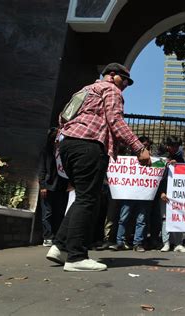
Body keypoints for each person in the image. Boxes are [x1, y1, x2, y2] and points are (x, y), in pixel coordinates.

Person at [46, 63, 151, 272]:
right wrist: (139, 148)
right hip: (89, 145)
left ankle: (60, 247)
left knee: (83, 198)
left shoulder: (84, 90)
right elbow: (115, 120)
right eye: (124, 80)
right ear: (112, 75)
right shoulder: (110, 89)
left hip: (68, 145)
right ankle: (76, 257)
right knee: (87, 200)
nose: (125, 86)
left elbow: (62, 118)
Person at [111, 137, 153, 252]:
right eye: (143, 145)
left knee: (141, 219)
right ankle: (120, 242)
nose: (144, 148)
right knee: (123, 218)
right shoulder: (127, 160)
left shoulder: (151, 160)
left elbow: (159, 168)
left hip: (144, 194)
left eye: (147, 146)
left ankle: (137, 243)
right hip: (129, 194)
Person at [158, 136, 185, 253]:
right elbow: (157, 177)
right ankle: (166, 243)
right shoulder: (160, 157)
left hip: (177, 194)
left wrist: (178, 165)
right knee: (165, 218)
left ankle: (178, 244)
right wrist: (161, 192)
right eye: (173, 146)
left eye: (177, 146)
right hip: (164, 193)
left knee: (178, 217)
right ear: (168, 146)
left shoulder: (179, 157)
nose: (176, 148)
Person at [38, 127, 68, 247]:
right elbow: (42, 170)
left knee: (58, 212)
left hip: (60, 186)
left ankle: (55, 236)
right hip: (49, 185)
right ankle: (47, 237)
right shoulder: (46, 151)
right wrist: (42, 186)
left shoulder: (62, 152)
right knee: (47, 212)